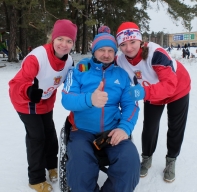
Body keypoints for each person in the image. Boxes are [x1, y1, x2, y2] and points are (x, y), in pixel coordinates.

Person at [61, 32, 141, 192]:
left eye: (110, 50)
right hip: (82, 131)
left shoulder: (122, 74)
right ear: (94, 51)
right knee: (80, 168)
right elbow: (67, 100)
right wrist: (90, 99)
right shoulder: (80, 69)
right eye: (101, 50)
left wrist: (124, 127)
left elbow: (131, 104)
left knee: (130, 161)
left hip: (112, 131)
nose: (106, 54)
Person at [115, 22, 191, 183]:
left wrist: (143, 92)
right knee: (150, 126)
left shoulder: (155, 53)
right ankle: (147, 158)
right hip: (151, 90)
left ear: (140, 41)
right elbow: (103, 62)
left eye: (132, 42)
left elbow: (169, 86)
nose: (128, 48)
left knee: (175, 126)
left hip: (178, 88)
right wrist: (86, 65)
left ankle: (171, 160)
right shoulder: (120, 60)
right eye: (123, 44)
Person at [8, 19, 77, 192]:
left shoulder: (69, 62)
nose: (64, 44)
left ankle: (51, 165)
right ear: (52, 38)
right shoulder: (37, 57)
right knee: (37, 137)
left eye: (69, 41)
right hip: (26, 101)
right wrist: (29, 91)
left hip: (46, 101)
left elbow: (75, 80)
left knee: (50, 134)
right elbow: (16, 84)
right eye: (60, 39)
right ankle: (35, 178)